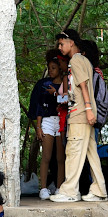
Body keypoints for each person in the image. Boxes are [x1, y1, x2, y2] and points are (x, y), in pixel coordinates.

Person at [49, 30, 108, 203]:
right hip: (85, 113)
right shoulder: (84, 60)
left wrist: (88, 108)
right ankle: (99, 190)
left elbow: (82, 85)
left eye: (62, 43)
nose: (60, 47)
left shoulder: (75, 60)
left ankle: (70, 192)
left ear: (71, 42)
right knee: (91, 153)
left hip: (80, 113)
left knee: (73, 151)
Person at [29, 51, 66, 199]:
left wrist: (56, 93)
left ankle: (59, 188)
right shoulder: (43, 84)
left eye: (53, 68)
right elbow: (39, 107)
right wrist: (38, 127)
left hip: (61, 119)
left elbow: (68, 98)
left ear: (60, 69)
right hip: (47, 121)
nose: (50, 71)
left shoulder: (65, 82)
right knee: (46, 156)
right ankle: (43, 188)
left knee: (60, 158)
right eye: (49, 68)